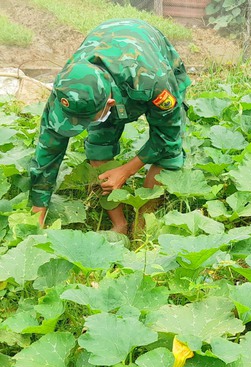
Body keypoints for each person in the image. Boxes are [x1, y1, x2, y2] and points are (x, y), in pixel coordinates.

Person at [29, 18, 191, 234]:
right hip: (106, 54)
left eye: (86, 119)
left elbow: (167, 138)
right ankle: (120, 225)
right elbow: (48, 150)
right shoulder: (70, 87)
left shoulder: (155, 82)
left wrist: (127, 170)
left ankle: (143, 228)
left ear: (110, 103)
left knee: (169, 156)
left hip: (147, 53)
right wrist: (37, 211)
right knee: (98, 146)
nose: (79, 126)